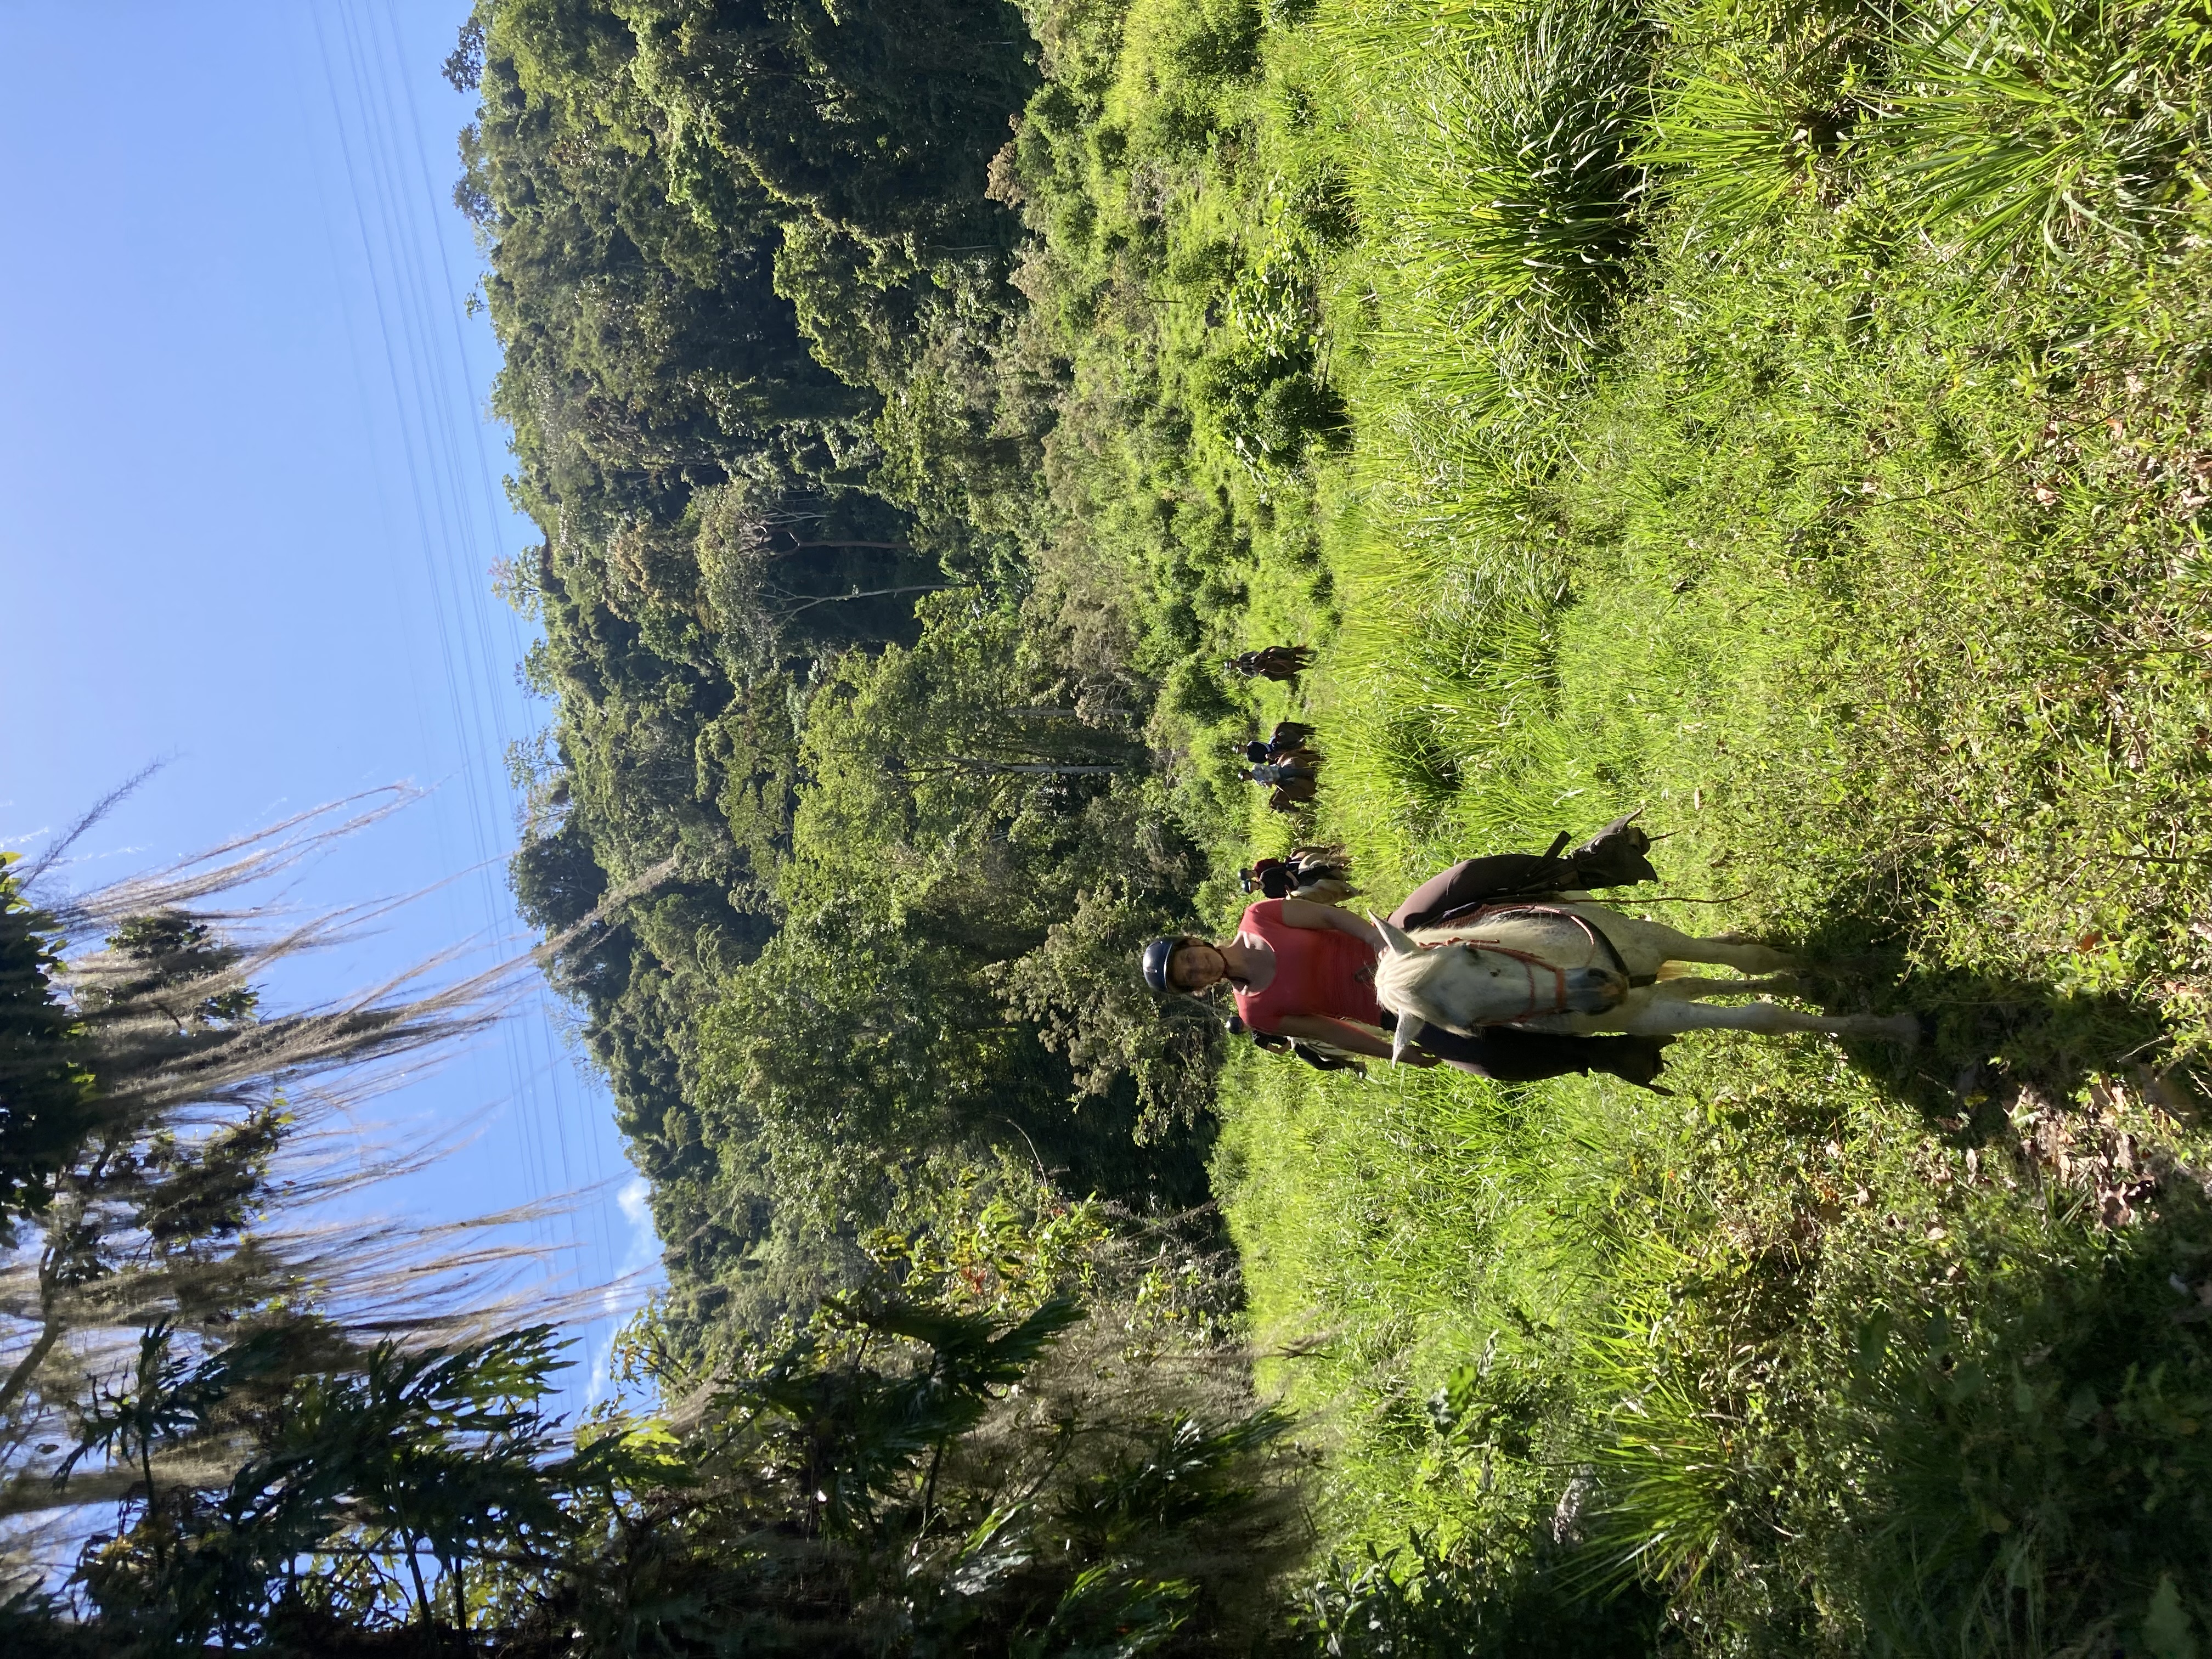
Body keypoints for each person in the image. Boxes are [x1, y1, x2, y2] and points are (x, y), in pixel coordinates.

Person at [1139, 823, 1670, 1086]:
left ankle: (1582, 868)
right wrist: (1398, 1053)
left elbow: (1328, 917)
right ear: (1197, 988)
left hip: (1394, 940)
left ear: (1194, 942)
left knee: (1464, 878)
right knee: (1490, 1062)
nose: (1197, 967)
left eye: (1189, 958)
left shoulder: (1260, 917)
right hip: (1395, 1007)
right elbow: (1332, 1031)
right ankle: (1601, 1055)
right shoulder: (1255, 1012)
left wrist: (1378, 940)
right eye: (1189, 977)